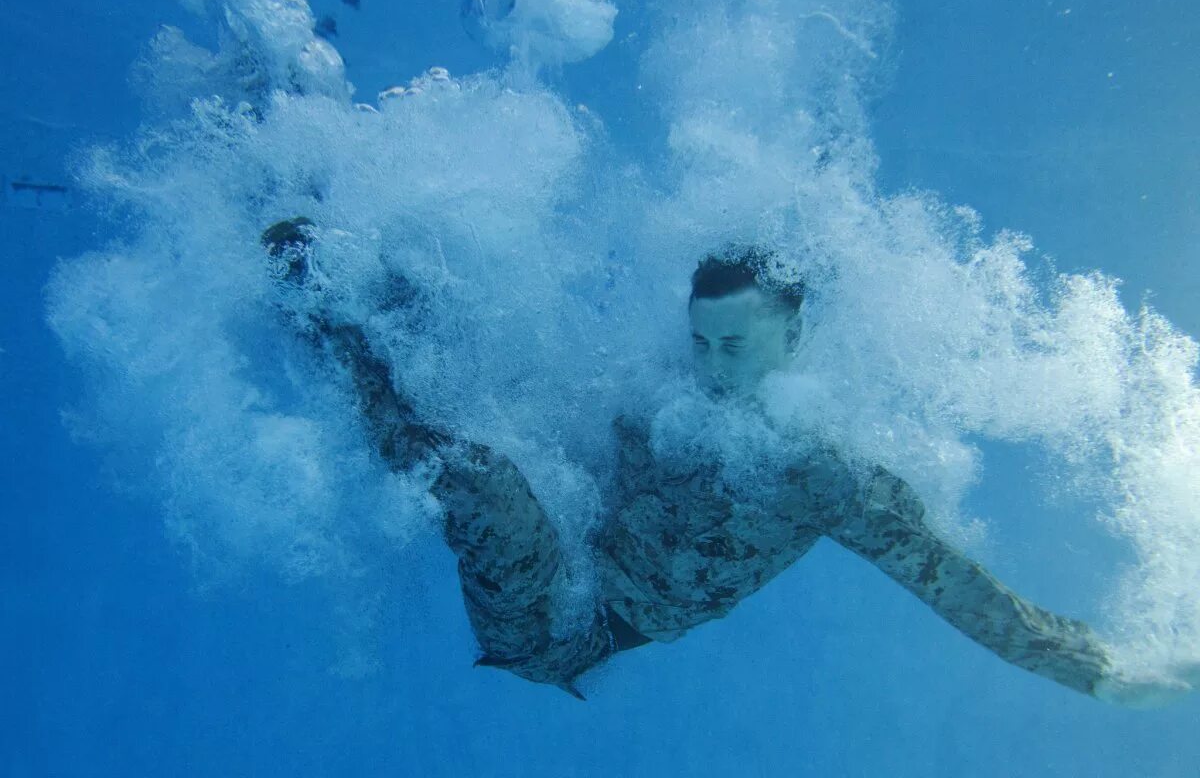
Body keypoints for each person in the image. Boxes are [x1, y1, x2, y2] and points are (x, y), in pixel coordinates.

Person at [261, 219, 1193, 706]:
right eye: (701, 343)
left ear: (795, 331)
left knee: (478, 477)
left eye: (736, 347)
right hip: (560, 539)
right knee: (455, 339)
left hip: (567, 631)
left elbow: (943, 578)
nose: (712, 368)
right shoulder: (676, 382)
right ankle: (346, 278)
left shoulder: (822, 473)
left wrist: (1095, 671)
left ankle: (320, 321)